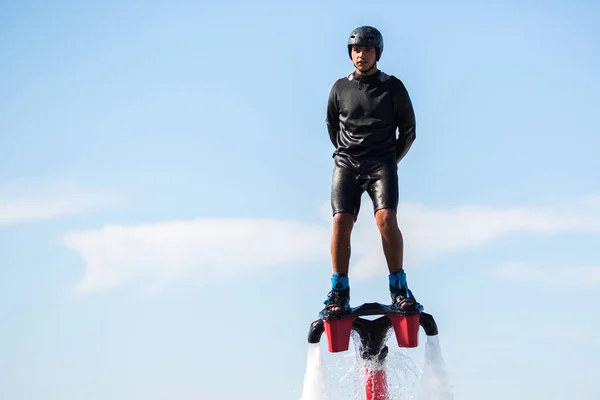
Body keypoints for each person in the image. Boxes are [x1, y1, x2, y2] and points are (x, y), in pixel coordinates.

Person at [323, 26, 419, 314]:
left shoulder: (393, 87)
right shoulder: (340, 87)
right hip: (347, 162)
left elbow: (409, 131)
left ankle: (399, 288)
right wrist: (348, 153)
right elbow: (332, 127)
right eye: (355, 49)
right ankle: (339, 290)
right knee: (341, 221)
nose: (360, 54)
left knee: (386, 219)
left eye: (366, 49)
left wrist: (390, 160)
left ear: (377, 53)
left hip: (381, 163)